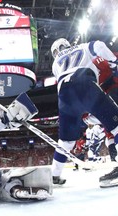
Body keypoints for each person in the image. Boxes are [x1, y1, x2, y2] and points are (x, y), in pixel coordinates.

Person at [50, 38, 118, 187]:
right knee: (116, 124)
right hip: (84, 83)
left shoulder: (56, 64)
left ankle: (54, 176)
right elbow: (99, 45)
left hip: (64, 95)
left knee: (66, 141)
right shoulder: (82, 47)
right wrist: (113, 62)